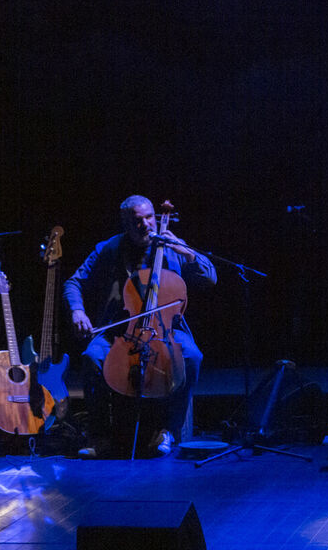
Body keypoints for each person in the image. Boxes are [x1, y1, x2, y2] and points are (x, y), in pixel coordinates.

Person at [64, 195, 216, 457]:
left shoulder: (170, 246)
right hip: (119, 330)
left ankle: (169, 430)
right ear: (126, 223)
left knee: (192, 356)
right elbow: (73, 282)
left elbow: (210, 277)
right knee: (92, 357)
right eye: (138, 220)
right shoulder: (109, 248)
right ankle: (99, 436)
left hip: (166, 330)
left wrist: (187, 252)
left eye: (149, 217)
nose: (146, 224)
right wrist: (78, 310)